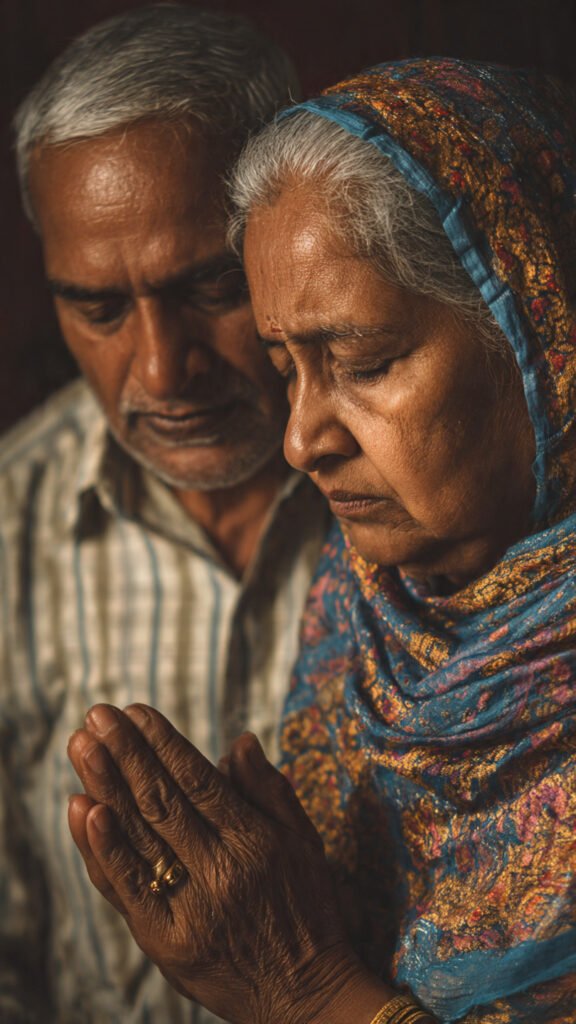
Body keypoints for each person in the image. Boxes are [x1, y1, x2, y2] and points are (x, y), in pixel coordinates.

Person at [67, 58, 576, 1022]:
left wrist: (304, 990)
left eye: (366, 362)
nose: (302, 440)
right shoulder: (365, 608)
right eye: (286, 365)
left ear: (540, 332)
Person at [0, 6, 331, 1022]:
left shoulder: (438, 493)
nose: (160, 369)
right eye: (99, 309)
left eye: (213, 286)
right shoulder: (11, 523)